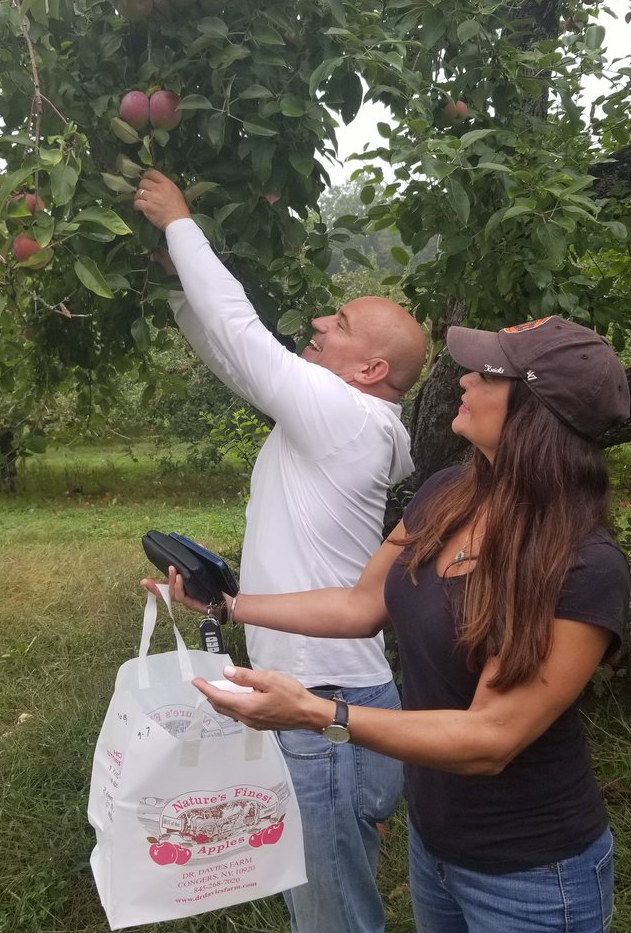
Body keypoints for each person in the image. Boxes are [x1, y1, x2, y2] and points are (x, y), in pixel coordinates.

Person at [148, 315, 631, 933]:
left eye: (487, 374)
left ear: (536, 411)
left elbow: (491, 738)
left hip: (533, 874)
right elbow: (361, 605)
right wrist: (231, 605)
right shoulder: (450, 493)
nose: (464, 380)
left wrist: (318, 713)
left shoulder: (583, 564)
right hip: (436, 848)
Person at [133, 169, 428, 933]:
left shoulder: (348, 419)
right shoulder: (340, 422)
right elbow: (239, 363)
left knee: (332, 920)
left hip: (323, 710)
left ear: (370, 371)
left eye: (341, 321)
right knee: (332, 900)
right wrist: (179, 290)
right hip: (333, 701)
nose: (322, 321)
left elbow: (245, 338)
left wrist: (179, 222)